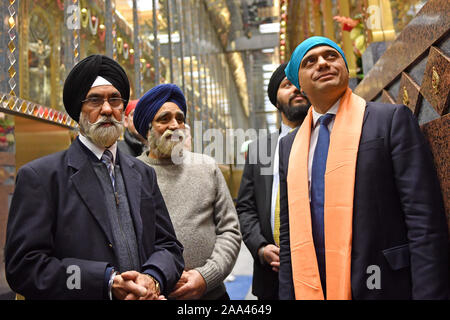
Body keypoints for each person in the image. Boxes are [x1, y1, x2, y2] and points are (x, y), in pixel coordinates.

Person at [278, 36, 449, 300]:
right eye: (310, 61)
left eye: (331, 56)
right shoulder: (290, 146)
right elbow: (289, 237)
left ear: (345, 67)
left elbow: (423, 219)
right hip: (313, 284)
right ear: (299, 84)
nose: (323, 63)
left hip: (381, 283)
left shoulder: (389, 121)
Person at [4, 55, 184, 300]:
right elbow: (25, 268)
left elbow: (170, 247)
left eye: (115, 99)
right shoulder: (42, 178)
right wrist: (106, 282)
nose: (107, 109)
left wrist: (152, 279)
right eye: (95, 100)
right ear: (79, 110)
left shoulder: (142, 174)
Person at [133, 83, 242, 300]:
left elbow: (230, 230)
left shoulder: (207, 167)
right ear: (147, 129)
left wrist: (205, 277)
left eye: (180, 119)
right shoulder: (131, 174)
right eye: (164, 119)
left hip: (212, 295)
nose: (175, 125)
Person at [235, 63, 310, 300]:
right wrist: (261, 247)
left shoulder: (329, 138)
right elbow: (246, 208)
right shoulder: (260, 151)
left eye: (300, 84)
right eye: (287, 85)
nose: (296, 90)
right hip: (272, 275)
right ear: (276, 101)